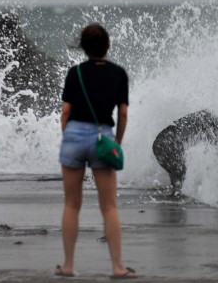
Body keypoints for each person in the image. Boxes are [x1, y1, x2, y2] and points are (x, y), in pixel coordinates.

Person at [56, 23, 137, 279]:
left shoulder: (75, 73)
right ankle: (117, 267)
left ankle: (68, 266)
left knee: (71, 204)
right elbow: (123, 113)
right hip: (103, 136)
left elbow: (65, 112)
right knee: (109, 206)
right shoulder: (118, 74)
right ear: (108, 46)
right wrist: (117, 143)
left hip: (74, 135)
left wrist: (68, 137)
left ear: (83, 47)